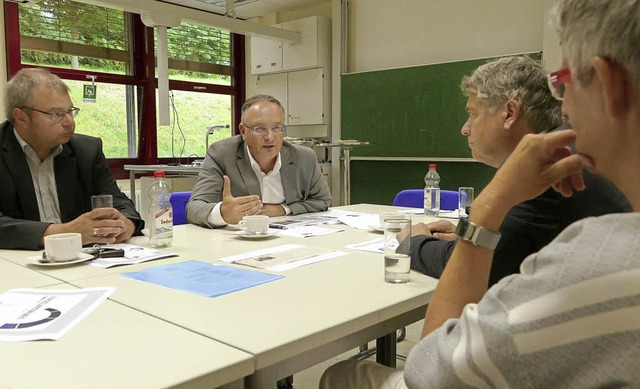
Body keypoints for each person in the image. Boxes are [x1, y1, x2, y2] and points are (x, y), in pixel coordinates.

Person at [320, 0, 640, 386]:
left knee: (344, 374)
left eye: (564, 82)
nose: (565, 107)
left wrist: (481, 211)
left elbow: (427, 372)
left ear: (608, 84)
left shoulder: (597, 249)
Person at [399, 56, 630, 286]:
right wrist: (471, 233)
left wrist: (415, 241)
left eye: (473, 114)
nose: (464, 129)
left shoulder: (544, 168)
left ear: (510, 113)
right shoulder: (566, 150)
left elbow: (471, 271)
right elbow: (510, 247)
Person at [0, 68, 144, 250]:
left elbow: (120, 203)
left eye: (70, 111)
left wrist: (126, 224)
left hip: (82, 262)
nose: (69, 122)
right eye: (56, 114)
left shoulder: (87, 151)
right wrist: (66, 231)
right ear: (21, 117)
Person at [186, 94, 331, 227]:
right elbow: (194, 208)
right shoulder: (222, 154)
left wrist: (283, 209)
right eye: (260, 129)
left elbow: (322, 200)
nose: (269, 136)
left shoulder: (304, 157)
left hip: (291, 238)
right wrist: (223, 213)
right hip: (238, 243)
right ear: (243, 131)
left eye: (276, 128)